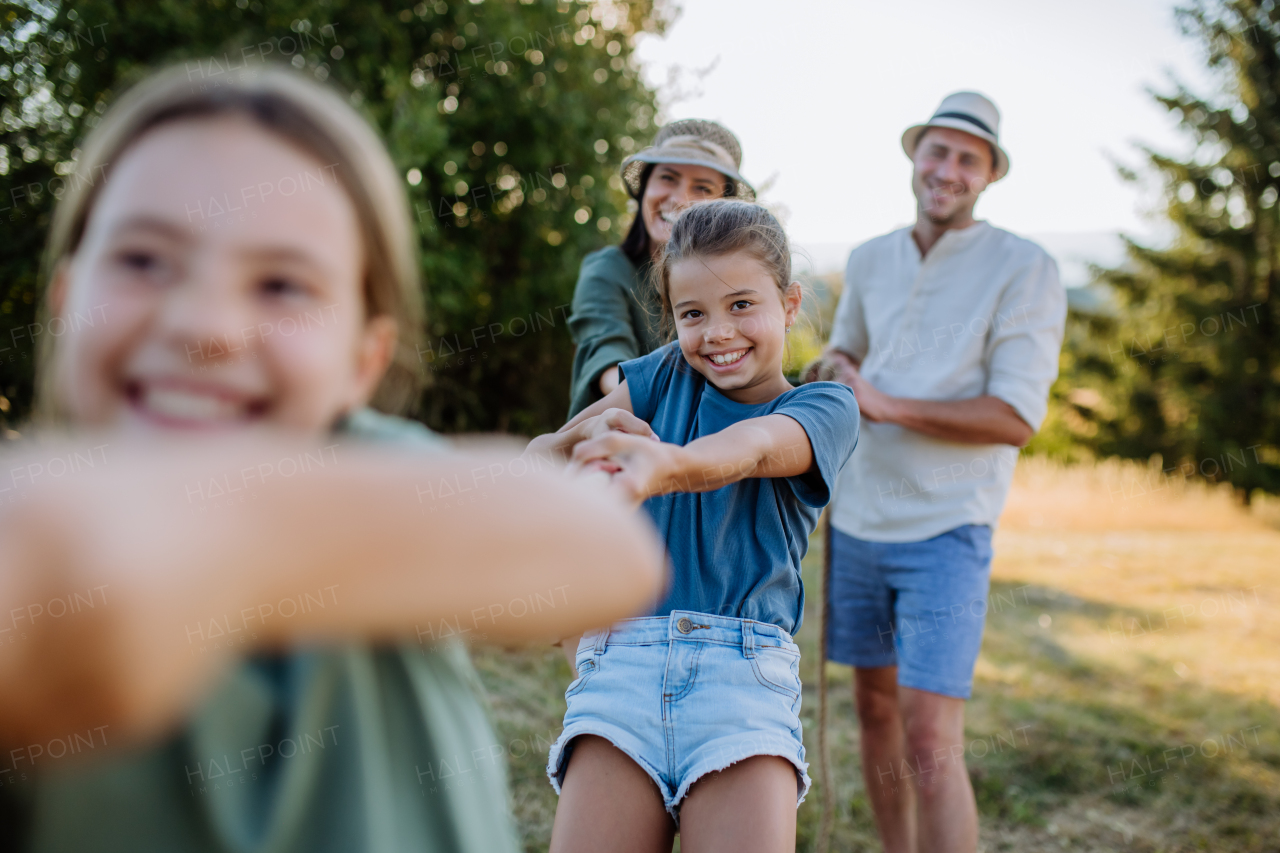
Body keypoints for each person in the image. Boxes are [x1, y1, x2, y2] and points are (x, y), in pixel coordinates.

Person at [0, 63, 666, 852]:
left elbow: (598, 554)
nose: (205, 325)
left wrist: (195, 548)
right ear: (67, 301)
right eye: (144, 261)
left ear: (364, 357)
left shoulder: (362, 459)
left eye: (281, 284)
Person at [528, 200, 860, 853]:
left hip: (743, 687)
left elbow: (758, 447)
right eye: (693, 314)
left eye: (742, 304)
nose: (717, 332)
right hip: (622, 670)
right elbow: (542, 456)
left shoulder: (824, 405)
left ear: (790, 303)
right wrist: (590, 435)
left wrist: (664, 464)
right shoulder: (659, 377)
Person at [804, 92, 1067, 853]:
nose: (946, 169)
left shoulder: (1026, 267)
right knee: (875, 710)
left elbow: (1015, 416)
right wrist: (840, 370)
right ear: (915, 156)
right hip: (855, 521)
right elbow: (847, 355)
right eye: (937, 151)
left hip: (947, 526)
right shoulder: (869, 256)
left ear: (988, 175)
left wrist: (887, 402)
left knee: (930, 735)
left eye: (967, 158)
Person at [566, 119, 754, 418]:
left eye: (702, 187)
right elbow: (605, 359)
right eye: (668, 178)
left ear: (723, 205)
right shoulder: (607, 271)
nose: (679, 199)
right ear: (645, 187)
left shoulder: (735, 281)